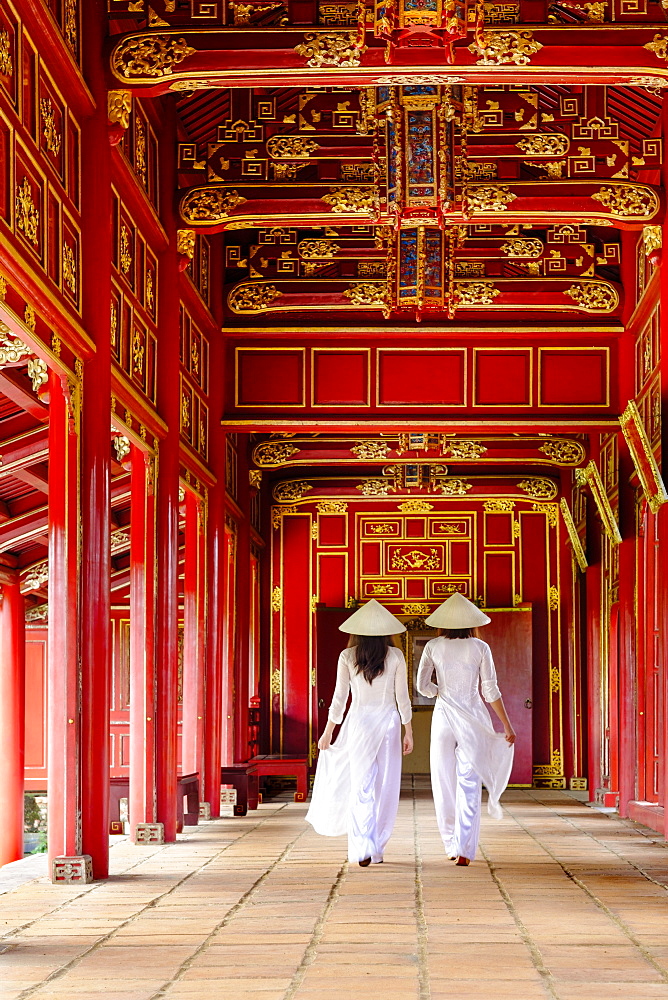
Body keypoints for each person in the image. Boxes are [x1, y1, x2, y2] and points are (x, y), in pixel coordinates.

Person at [305, 599, 414, 867]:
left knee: (360, 786)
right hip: (388, 724)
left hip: (358, 724)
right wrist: (407, 730)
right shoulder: (396, 655)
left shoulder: (347, 656)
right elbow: (402, 698)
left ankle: (361, 846)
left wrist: (329, 731)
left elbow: (339, 698)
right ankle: (376, 848)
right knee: (385, 787)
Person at [417, 592, 515, 867]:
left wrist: (440, 692)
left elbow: (421, 686)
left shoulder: (433, 646)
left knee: (443, 781)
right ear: (470, 622)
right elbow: (490, 689)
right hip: (474, 718)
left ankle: (449, 843)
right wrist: (506, 725)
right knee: (469, 782)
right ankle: (465, 848)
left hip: (443, 718)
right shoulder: (480, 647)